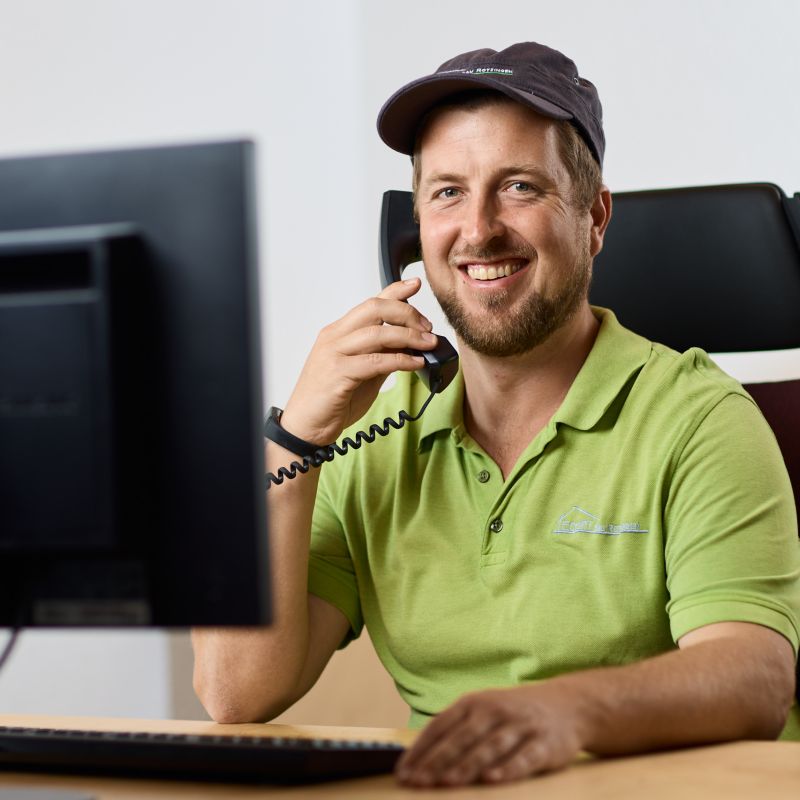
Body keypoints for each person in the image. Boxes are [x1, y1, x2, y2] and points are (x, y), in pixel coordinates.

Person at [192, 42, 800, 787]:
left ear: (594, 217)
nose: (478, 231)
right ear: (414, 231)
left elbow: (755, 678)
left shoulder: (700, 417)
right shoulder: (372, 439)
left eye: (518, 187)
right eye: (447, 192)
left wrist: (562, 712)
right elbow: (234, 692)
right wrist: (295, 438)